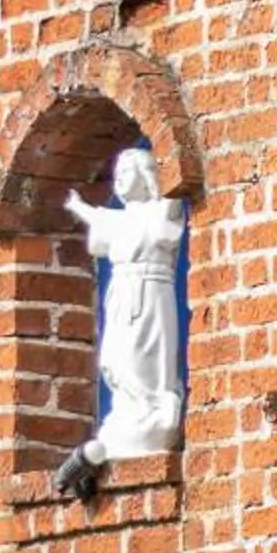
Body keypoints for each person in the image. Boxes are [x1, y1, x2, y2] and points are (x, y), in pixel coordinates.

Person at [50, 145, 186, 497]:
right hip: (122, 294)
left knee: (144, 358)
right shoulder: (121, 218)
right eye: (117, 176)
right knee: (115, 359)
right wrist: (77, 206)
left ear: (145, 177)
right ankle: (130, 414)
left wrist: (172, 181)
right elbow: (103, 221)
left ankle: (152, 411)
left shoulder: (158, 212)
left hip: (150, 291)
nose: (121, 181)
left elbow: (168, 211)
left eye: (128, 174)